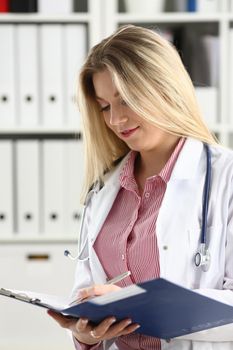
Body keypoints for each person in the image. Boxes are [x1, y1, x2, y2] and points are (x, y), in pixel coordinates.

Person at [48, 24, 233, 350]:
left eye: (127, 100)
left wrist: (140, 306)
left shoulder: (224, 177)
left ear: (165, 87)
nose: (116, 120)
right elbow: (88, 295)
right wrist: (84, 335)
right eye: (105, 107)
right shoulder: (104, 190)